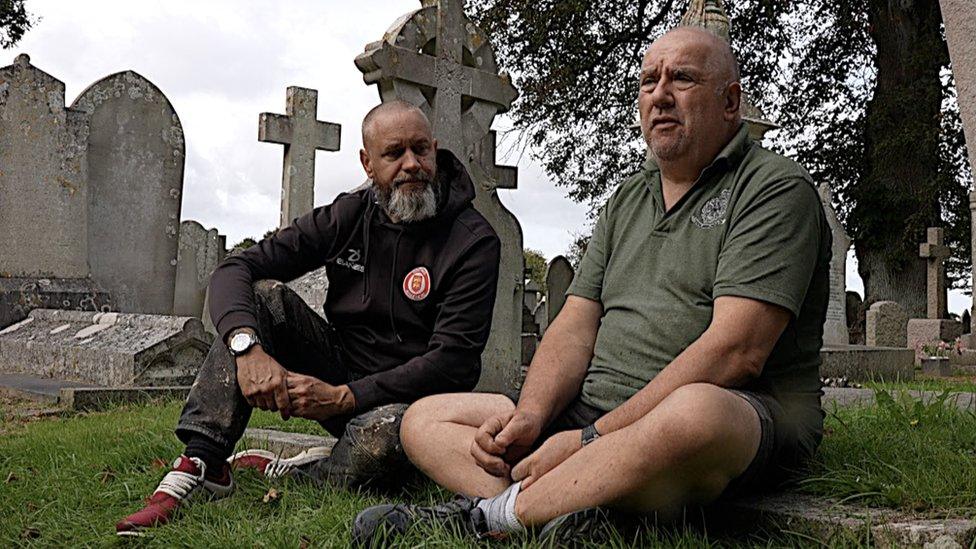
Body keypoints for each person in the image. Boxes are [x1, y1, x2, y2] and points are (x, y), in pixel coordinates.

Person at [352, 26, 831, 544]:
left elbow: (736, 352)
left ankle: (493, 517)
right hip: (592, 412)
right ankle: (583, 505)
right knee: (425, 420)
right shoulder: (628, 198)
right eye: (649, 81)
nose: (661, 95)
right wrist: (533, 418)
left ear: (730, 101)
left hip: (734, 414)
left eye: (683, 79)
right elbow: (576, 323)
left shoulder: (775, 189)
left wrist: (589, 440)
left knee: (697, 415)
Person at [115, 101, 501, 535]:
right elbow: (235, 270)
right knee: (265, 298)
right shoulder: (350, 215)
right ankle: (204, 461)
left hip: (414, 404)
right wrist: (248, 347)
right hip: (338, 369)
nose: (412, 165)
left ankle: (304, 472)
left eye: (420, 150)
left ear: (435, 149)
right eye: (394, 154)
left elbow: (452, 361)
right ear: (368, 163)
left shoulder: (474, 241)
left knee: (385, 438)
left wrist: (346, 397)